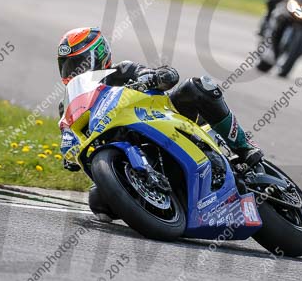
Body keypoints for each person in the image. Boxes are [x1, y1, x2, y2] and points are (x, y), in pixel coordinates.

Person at [56, 27, 264, 172]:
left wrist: (154, 77)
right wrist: (71, 154)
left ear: (99, 55)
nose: (74, 71)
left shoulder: (122, 70)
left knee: (198, 87)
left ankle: (243, 146)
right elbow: (70, 140)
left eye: (79, 63)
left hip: (161, 117)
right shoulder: (70, 106)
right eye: (68, 66)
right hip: (124, 150)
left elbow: (169, 75)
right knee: (98, 204)